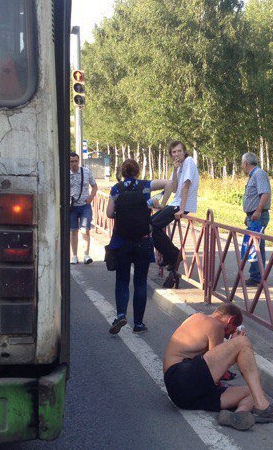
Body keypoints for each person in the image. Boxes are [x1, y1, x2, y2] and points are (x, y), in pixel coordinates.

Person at [163, 303, 273, 430]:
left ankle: (237, 415)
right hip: (181, 375)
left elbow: (209, 368)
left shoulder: (195, 318)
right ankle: (263, 407)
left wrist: (231, 347)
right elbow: (216, 374)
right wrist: (234, 343)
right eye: (234, 327)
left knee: (253, 392)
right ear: (230, 320)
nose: (231, 333)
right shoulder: (215, 324)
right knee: (242, 342)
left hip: (183, 395)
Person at [106, 159, 173, 334]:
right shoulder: (145, 186)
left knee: (122, 280)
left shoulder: (116, 189)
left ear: (122, 171)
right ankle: (138, 324)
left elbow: (109, 213)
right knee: (140, 283)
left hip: (121, 241)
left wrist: (123, 213)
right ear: (138, 171)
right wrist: (157, 203)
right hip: (143, 242)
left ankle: (121, 315)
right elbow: (169, 183)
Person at [151, 141, 199, 288]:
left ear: (185, 152)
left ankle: (173, 255)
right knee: (150, 224)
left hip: (181, 204)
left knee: (153, 225)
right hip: (175, 202)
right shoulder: (179, 166)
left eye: (179, 151)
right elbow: (174, 188)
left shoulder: (189, 161)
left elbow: (186, 186)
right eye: (174, 152)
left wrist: (181, 209)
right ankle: (169, 255)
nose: (177, 154)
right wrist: (175, 169)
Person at [239, 152, 271, 287]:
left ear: (246, 163)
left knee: (256, 246)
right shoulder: (254, 175)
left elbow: (265, 193)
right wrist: (249, 214)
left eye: (242, 163)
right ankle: (257, 275)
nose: (241, 166)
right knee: (254, 245)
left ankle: (257, 276)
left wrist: (257, 211)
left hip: (259, 215)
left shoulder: (259, 174)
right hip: (253, 216)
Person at [69, 152, 98, 264]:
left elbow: (94, 186)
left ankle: (86, 255)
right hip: (72, 206)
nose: (74, 163)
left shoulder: (86, 171)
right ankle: (74, 256)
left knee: (85, 230)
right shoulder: (66, 173)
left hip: (85, 205)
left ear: (79, 161)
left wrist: (91, 197)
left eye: (76, 161)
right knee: (73, 231)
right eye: (72, 161)